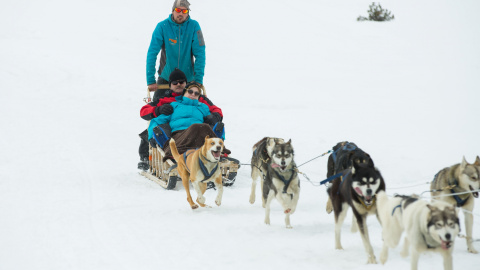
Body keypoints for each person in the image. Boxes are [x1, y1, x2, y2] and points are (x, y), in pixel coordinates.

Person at [137, 69, 222, 170]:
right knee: (155, 130)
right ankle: (146, 157)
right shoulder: (165, 100)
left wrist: (215, 116)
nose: (178, 84)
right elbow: (144, 111)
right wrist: (158, 110)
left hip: (196, 130)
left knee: (211, 127)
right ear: (170, 85)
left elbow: (215, 110)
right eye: (174, 82)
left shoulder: (198, 99)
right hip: (174, 129)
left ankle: (216, 152)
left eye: (181, 82)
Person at [148, 82, 229, 161]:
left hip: (199, 137)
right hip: (180, 136)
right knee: (198, 126)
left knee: (214, 125)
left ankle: (216, 148)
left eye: (196, 93)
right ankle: (169, 148)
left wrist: (213, 119)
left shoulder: (203, 107)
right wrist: (151, 136)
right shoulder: (174, 106)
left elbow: (215, 122)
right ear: (184, 93)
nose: (193, 94)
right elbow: (156, 121)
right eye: (190, 91)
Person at [146, 0, 206, 96]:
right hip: (166, 78)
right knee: (156, 109)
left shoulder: (194, 26)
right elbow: (152, 53)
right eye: (178, 10)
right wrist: (150, 80)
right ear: (173, 10)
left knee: (192, 109)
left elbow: (200, 54)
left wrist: (198, 80)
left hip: (187, 80)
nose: (181, 13)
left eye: (184, 11)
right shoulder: (162, 27)